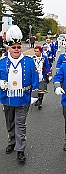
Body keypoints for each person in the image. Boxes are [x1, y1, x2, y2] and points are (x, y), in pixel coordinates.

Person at [0, 25, 39, 163]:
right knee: (10, 123)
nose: (16, 49)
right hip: (7, 99)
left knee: (20, 124)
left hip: (23, 99)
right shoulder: (2, 62)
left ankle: (20, 150)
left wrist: (34, 94)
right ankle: (12, 142)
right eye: (13, 47)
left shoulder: (29, 61)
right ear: (8, 49)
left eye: (18, 47)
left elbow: (35, 78)